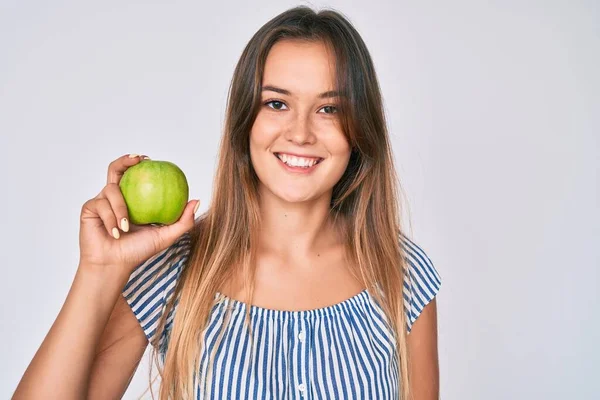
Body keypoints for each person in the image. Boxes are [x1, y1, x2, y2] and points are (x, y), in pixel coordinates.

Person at [13, 5, 441, 400]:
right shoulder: (176, 270)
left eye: (328, 109)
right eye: (276, 103)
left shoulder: (401, 273)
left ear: (359, 129)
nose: (301, 132)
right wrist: (99, 271)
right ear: (244, 122)